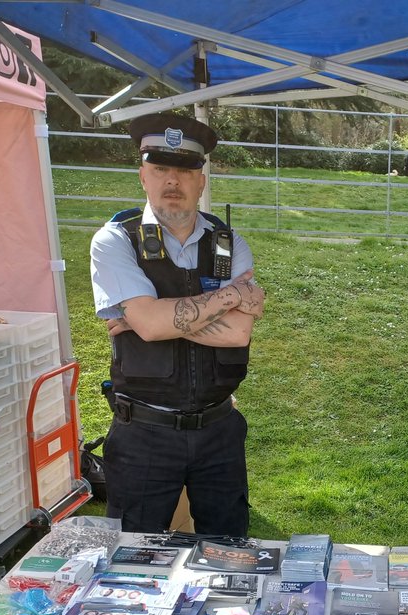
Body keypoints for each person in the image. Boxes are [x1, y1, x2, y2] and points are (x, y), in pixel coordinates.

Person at [91, 112, 265, 537]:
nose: (173, 181)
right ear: (143, 176)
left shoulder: (229, 244)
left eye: (185, 170)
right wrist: (227, 297)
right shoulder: (116, 240)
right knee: (132, 560)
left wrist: (143, 319)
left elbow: (238, 333)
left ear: (200, 180)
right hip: (144, 433)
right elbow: (151, 325)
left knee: (229, 555)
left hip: (218, 431)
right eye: (160, 169)